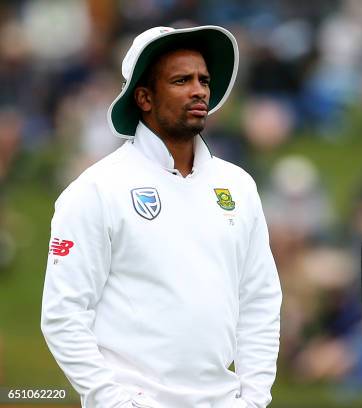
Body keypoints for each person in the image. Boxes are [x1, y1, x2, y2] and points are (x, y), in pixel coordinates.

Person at [40, 26, 282, 408]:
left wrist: (253, 399)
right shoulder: (96, 189)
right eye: (181, 80)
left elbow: (260, 302)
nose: (200, 90)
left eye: (203, 79)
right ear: (144, 97)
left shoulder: (239, 186)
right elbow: (63, 315)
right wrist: (112, 401)